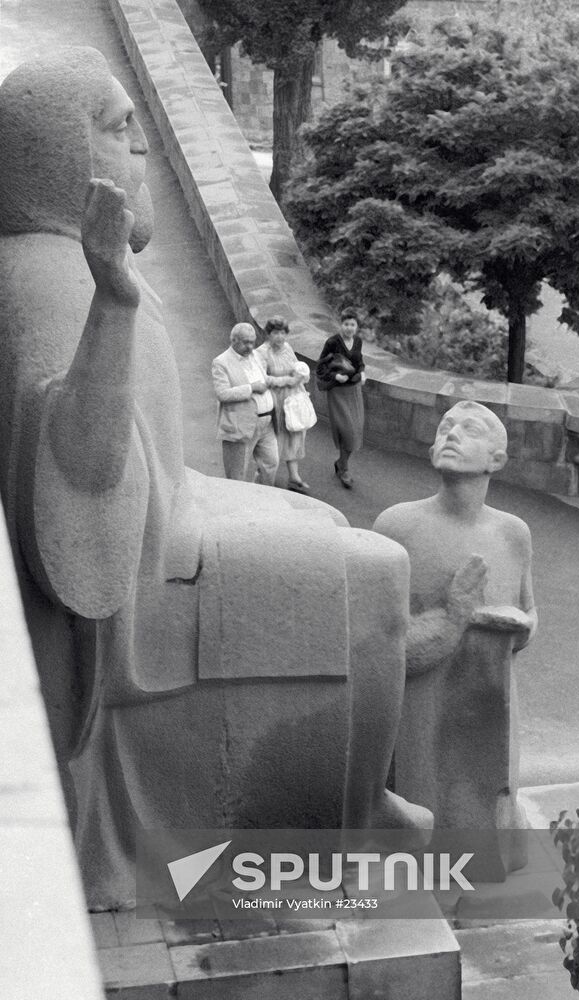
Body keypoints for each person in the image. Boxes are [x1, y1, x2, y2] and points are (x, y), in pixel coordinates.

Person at [0, 49, 430, 910]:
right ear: (65, 156)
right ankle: (352, 813)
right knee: (378, 572)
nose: (143, 154)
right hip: (139, 585)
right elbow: (78, 470)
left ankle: (358, 793)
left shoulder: (55, 266)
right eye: (123, 133)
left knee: (329, 529)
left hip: (170, 516)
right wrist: (113, 303)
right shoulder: (48, 284)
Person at [374, 401, 538, 875]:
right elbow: (381, 643)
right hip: (422, 709)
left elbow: (530, 610)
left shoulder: (513, 534)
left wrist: (520, 628)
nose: (451, 434)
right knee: (424, 800)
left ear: (497, 461)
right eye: (445, 427)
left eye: (469, 429)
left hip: (492, 702)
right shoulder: (397, 527)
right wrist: (451, 619)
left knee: (489, 805)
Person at [212, 322, 279, 485]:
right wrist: (251, 388)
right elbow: (222, 394)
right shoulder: (221, 362)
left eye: (252, 341)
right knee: (237, 475)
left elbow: (265, 376)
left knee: (271, 463)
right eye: (246, 342)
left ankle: (260, 497)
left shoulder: (255, 355)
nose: (250, 346)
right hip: (241, 425)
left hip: (267, 423)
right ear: (233, 340)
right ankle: (239, 506)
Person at [255, 316, 310, 492]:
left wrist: (301, 375)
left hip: (293, 399)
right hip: (275, 400)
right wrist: (288, 380)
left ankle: (294, 476)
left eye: (282, 333)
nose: (279, 337)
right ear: (268, 334)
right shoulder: (262, 352)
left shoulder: (287, 348)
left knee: (295, 435)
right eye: (275, 333)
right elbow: (262, 378)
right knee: (274, 439)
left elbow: (296, 367)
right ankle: (262, 476)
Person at [318, 307, 365, 489]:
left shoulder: (358, 342)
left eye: (352, 324)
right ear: (340, 324)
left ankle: (341, 463)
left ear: (357, 326)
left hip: (353, 391)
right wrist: (335, 377)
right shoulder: (332, 342)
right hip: (338, 393)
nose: (349, 328)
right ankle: (344, 469)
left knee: (355, 432)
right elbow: (321, 366)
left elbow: (359, 362)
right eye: (346, 324)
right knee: (348, 432)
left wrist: (362, 372)